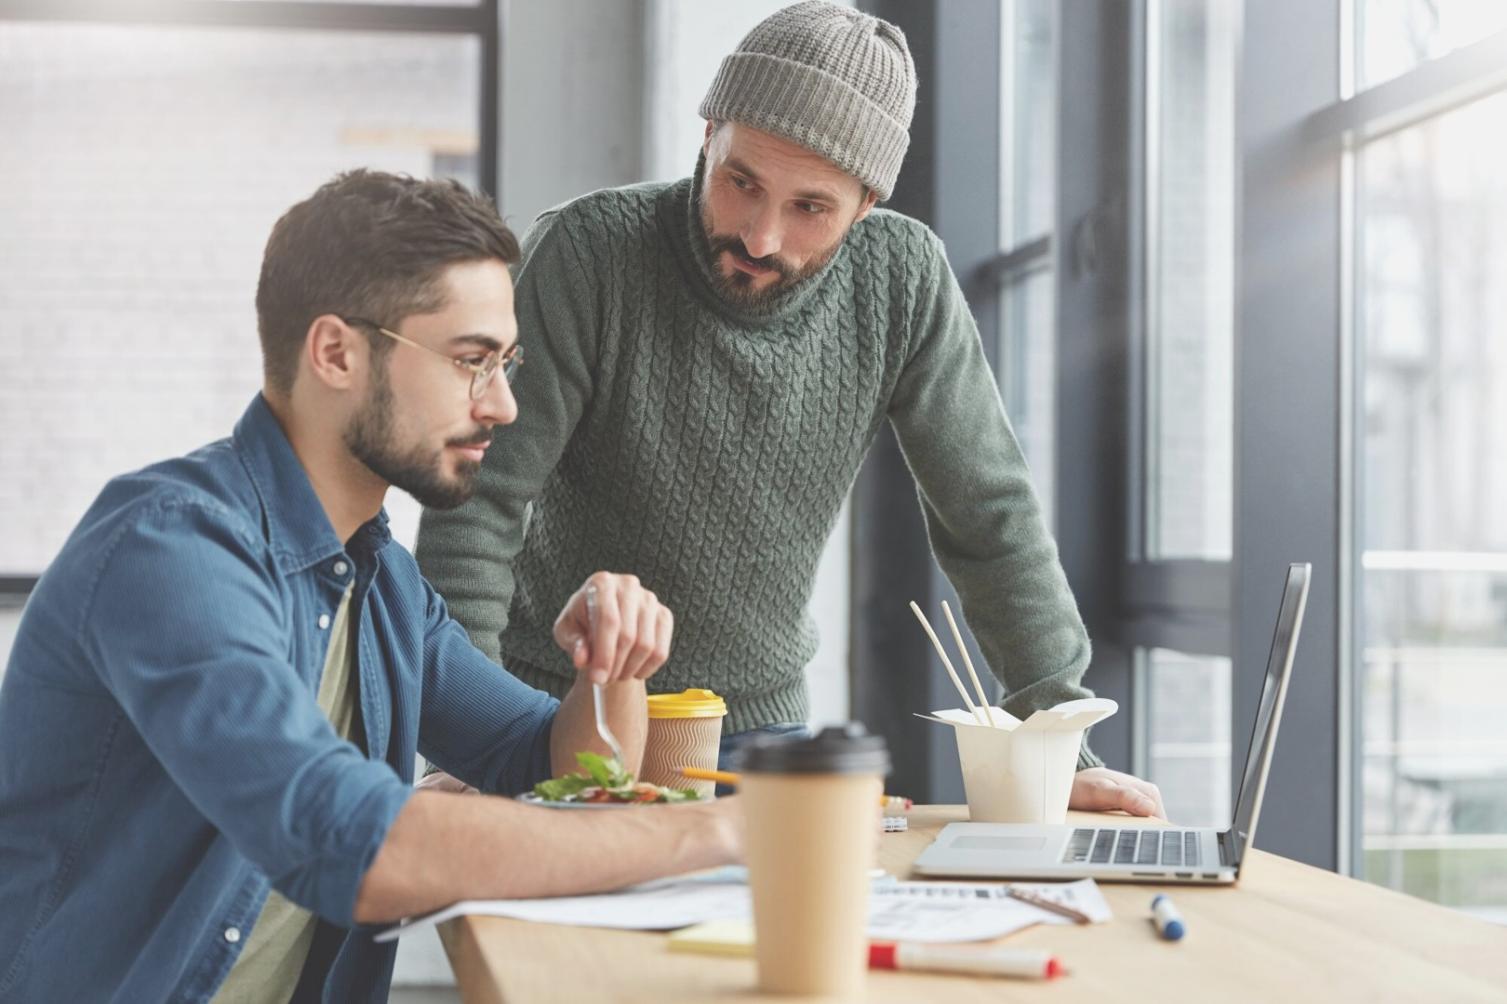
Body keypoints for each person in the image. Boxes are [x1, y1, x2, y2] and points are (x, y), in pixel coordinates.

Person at [0, 170, 739, 1004]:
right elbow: (343, 836)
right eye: (471, 361)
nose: (501, 404)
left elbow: (549, 769)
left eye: (506, 363)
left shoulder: (379, 580)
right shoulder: (173, 550)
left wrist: (609, 669)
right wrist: (725, 829)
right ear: (337, 352)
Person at [415, 2, 1164, 817]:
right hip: (558, 719)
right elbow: (481, 502)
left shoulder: (902, 281)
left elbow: (989, 515)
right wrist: (469, 731)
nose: (761, 236)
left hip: (758, 740)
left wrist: (1057, 741)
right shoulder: (592, 252)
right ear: (708, 133)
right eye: (741, 182)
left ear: (867, 204)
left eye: (810, 207)